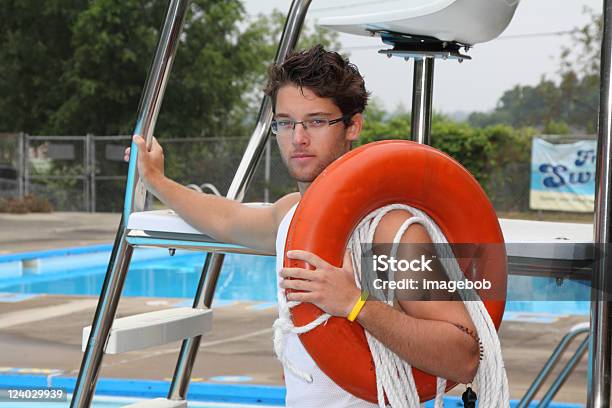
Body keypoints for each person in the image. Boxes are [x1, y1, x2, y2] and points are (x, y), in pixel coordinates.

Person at [124, 44, 480, 407]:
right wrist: (156, 181)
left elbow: (464, 356)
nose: (298, 138)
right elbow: (227, 219)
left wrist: (357, 304)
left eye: (316, 121)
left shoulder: (390, 229)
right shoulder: (291, 214)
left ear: (352, 125)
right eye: (285, 122)